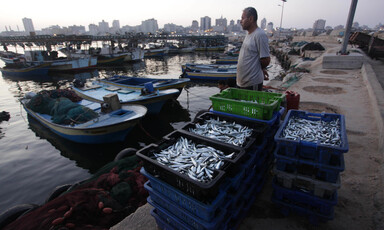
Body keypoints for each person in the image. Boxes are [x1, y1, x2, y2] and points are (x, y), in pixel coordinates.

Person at [237, 7, 271, 91]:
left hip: (252, 84)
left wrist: (258, 69)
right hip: (243, 83)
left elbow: (266, 59)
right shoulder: (248, 34)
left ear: (251, 18)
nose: (241, 21)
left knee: (250, 104)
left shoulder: (259, 35)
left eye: (242, 18)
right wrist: (261, 69)